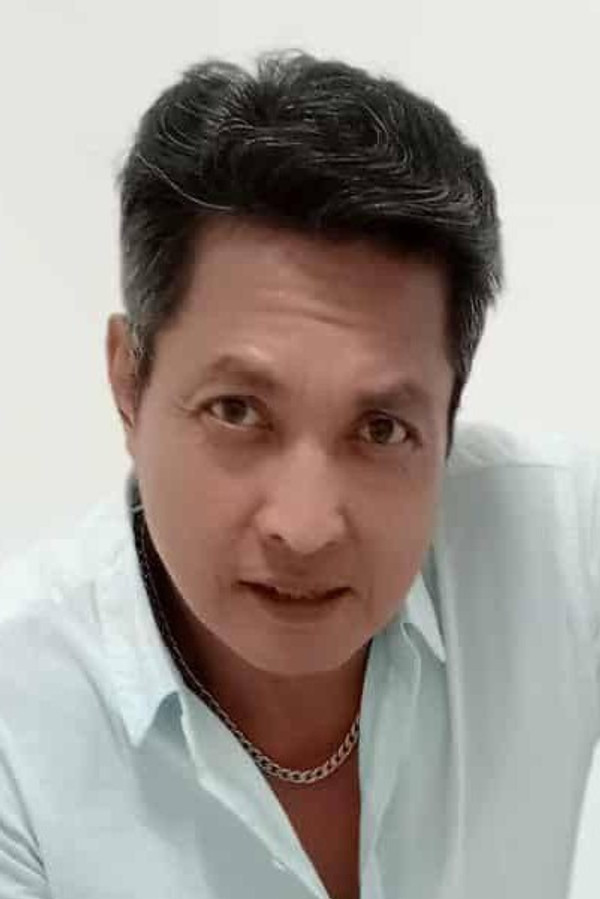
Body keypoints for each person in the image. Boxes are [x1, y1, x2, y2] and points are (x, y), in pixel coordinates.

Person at [0, 49, 597, 899]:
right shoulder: (18, 721)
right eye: (238, 411)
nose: (305, 526)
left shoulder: (563, 544)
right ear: (129, 383)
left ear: (450, 418)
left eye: (381, 429)